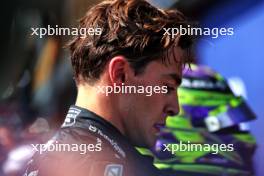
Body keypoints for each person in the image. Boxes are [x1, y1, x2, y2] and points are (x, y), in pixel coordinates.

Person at [23, 0, 193, 175]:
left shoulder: (44, 158)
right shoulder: (117, 168)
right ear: (120, 74)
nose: (175, 108)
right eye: (167, 87)